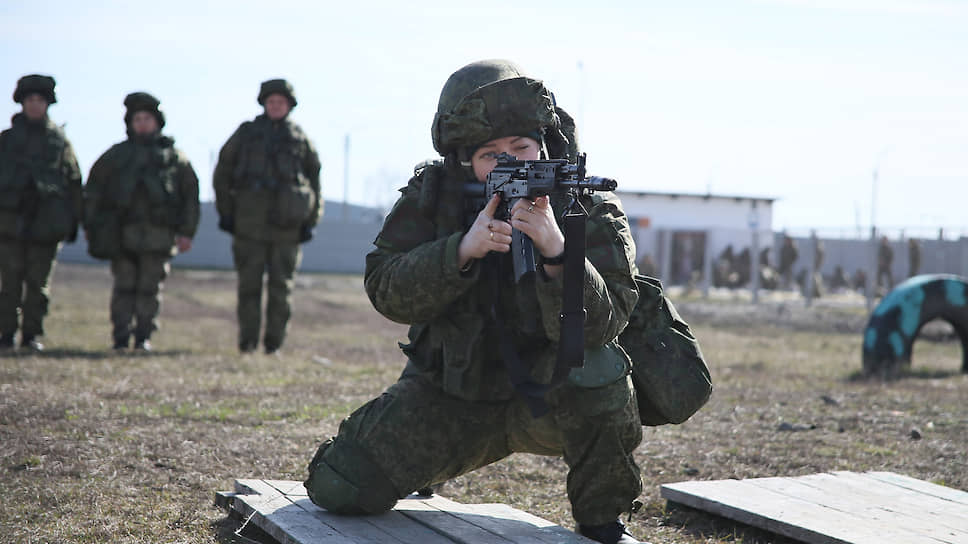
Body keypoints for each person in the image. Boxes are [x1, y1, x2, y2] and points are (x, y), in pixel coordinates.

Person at [304, 60, 643, 544]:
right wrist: (461, 250)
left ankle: (602, 520)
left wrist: (558, 252)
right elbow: (384, 288)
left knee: (601, 368)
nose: (510, 163)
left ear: (544, 145)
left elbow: (604, 325)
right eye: (490, 154)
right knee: (339, 485)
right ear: (466, 161)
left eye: (522, 147)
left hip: (549, 402)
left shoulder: (587, 208)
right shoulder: (433, 199)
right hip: (453, 397)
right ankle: (428, 468)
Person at [84, 92, 199, 351]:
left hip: (159, 234)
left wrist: (186, 232)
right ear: (130, 122)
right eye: (137, 118)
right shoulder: (115, 156)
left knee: (150, 288)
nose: (143, 123)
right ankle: (121, 337)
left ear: (157, 121)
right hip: (122, 234)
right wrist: (91, 226)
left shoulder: (175, 159)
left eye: (147, 118)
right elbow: (94, 191)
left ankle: (143, 337)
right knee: (124, 286)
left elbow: (190, 197)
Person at [213, 79, 322, 354]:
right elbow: (222, 172)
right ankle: (247, 343)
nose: (276, 107)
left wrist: (311, 221)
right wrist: (226, 213)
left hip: (288, 229)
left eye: (281, 102)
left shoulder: (300, 139)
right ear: (263, 104)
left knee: (281, 289)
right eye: (271, 102)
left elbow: (315, 181)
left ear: (289, 106)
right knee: (248, 287)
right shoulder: (246, 134)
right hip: (249, 226)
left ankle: (274, 345)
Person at [0, 75, 83, 351]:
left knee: (38, 286)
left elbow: (73, 181)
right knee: (9, 283)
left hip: (46, 225)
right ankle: (6, 334)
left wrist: (73, 220)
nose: (35, 105)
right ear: (21, 103)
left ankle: (32, 335)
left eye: (40, 100)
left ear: (48, 104)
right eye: (30, 100)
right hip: (9, 223)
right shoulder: (7, 141)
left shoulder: (59, 144)